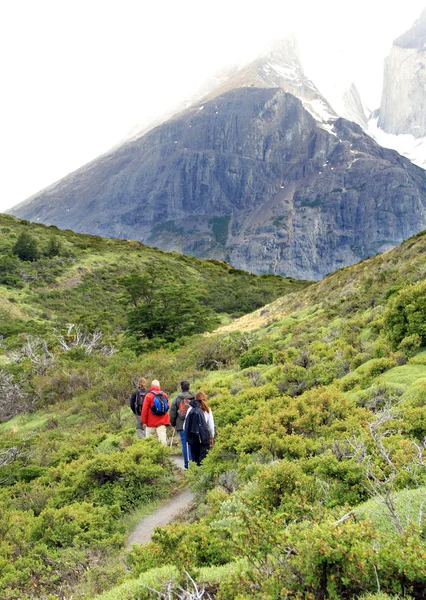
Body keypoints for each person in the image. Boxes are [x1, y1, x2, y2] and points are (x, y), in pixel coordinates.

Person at [184, 391, 215, 466]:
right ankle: (203, 474)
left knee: (195, 458)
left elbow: (185, 425)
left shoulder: (190, 409)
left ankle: (195, 473)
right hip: (203, 437)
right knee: (204, 458)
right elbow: (211, 426)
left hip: (193, 437)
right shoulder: (207, 410)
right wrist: (212, 437)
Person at [169, 380, 194, 468]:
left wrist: (173, 423)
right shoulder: (193, 397)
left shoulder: (177, 398)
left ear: (181, 388)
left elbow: (172, 412)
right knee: (192, 444)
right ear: (189, 387)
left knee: (185, 444)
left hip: (181, 424)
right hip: (192, 425)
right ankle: (193, 464)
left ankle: (187, 465)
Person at [141, 379, 170, 445]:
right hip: (162, 421)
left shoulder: (149, 395)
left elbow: (144, 410)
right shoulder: (164, 395)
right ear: (159, 386)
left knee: (149, 441)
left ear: (151, 386)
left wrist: (144, 421)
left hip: (151, 422)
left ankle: (150, 454)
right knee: (163, 440)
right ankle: (164, 453)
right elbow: (168, 406)